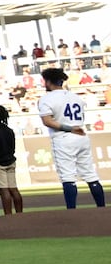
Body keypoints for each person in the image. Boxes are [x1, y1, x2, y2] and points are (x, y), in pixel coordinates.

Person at [36, 67, 104, 208]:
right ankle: (102, 209)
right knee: (91, 175)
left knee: (68, 177)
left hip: (64, 137)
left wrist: (69, 128)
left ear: (48, 82)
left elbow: (47, 121)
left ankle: (71, 211)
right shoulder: (75, 97)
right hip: (81, 135)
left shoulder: (46, 99)